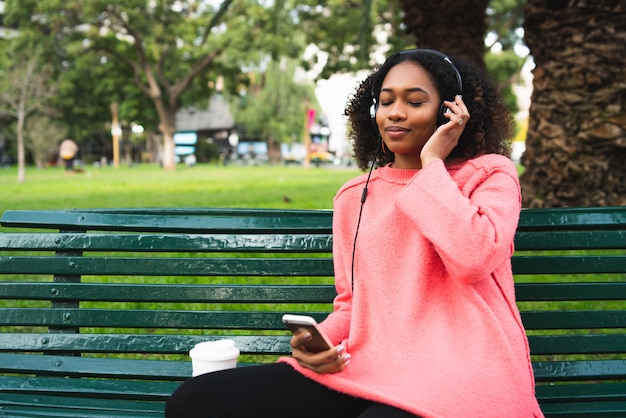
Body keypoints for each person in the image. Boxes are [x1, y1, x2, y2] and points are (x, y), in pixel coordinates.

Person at [165, 48, 544, 418]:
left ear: (451, 111)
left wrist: (432, 165)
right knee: (194, 402)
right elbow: (352, 301)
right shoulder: (354, 197)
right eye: (385, 100)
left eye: (415, 101)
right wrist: (320, 343)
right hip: (369, 367)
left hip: (464, 372)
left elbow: (473, 257)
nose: (395, 112)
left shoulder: (490, 175)